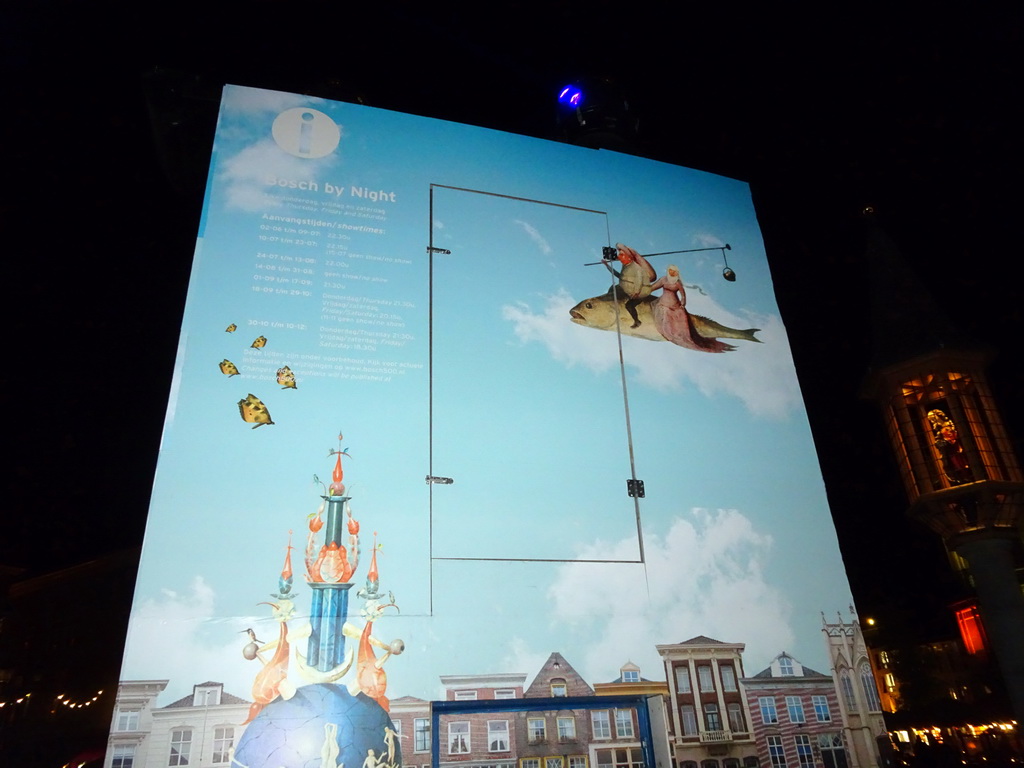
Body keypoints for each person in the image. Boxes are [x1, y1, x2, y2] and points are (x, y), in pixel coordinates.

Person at [649, 265, 734, 352]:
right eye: (670, 271)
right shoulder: (664, 279)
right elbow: (653, 287)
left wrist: (683, 301)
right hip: (664, 303)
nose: (672, 273)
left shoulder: (677, 282)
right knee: (665, 321)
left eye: (674, 271)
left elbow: (683, 294)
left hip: (675, 304)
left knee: (681, 325)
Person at [603, 243, 656, 328]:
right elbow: (618, 275)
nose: (619, 257)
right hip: (630, 291)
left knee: (629, 305)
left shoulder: (635, 267)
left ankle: (637, 321)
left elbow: (639, 279)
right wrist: (607, 266)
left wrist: (636, 293)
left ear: (628, 256)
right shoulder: (626, 267)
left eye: (621, 255)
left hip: (640, 292)